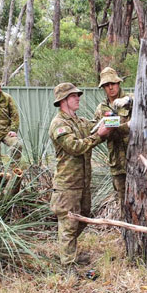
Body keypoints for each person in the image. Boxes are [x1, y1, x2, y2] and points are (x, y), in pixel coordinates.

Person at [49, 82, 112, 267]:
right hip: (67, 185)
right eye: (73, 96)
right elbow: (75, 147)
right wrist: (98, 136)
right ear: (63, 101)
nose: (77, 98)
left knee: (82, 216)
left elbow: (95, 126)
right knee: (69, 225)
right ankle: (68, 265)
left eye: (77, 95)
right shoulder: (59, 124)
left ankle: (67, 252)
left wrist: (112, 116)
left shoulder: (79, 121)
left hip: (82, 182)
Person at [92, 67, 133, 212]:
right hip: (117, 162)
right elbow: (99, 131)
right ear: (103, 87)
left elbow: (144, 102)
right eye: (107, 85)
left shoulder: (130, 100)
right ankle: (126, 233)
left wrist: (128, 100)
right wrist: (125, 127)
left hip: (134, 158)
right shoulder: (101, 108)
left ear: (118, 83)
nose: (111, 87)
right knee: (123, 202)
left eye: (113, 84)